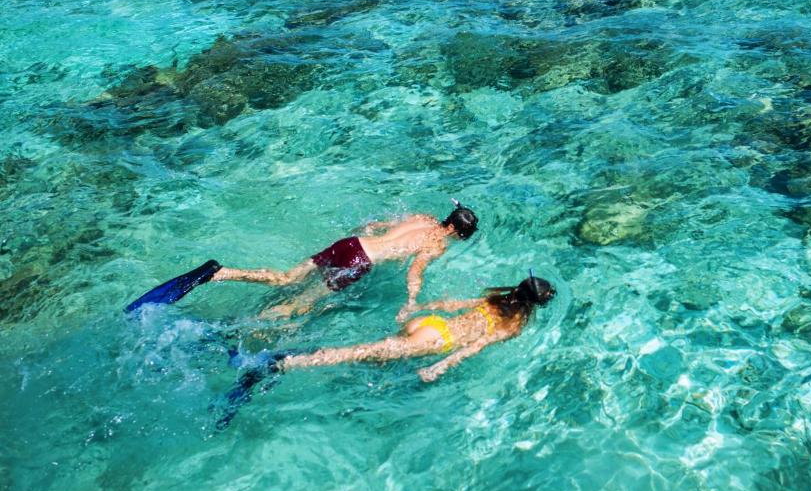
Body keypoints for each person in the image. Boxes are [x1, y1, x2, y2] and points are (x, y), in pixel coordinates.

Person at [124, 200, 478, 317]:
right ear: (455, 231)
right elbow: (416, 271)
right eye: (461, 236)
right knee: (302, 305)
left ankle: (219, 273)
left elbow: (376, 225)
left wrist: (366, 232)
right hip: (359, 264)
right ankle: (243, 326)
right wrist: (412, 300)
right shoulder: (437, 243)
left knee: (287, 278)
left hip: (350, 244)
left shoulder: (422, 218)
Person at [277, 273, 556, 382]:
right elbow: (476, 346)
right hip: (437, 340)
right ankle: (287, 362)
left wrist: (415, 308)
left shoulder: (494, 299)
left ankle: (305, 360)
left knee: (375, 357)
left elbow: (450, 305)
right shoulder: (512, 326)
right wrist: (439, 367)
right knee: (358, 352)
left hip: (431, 323)